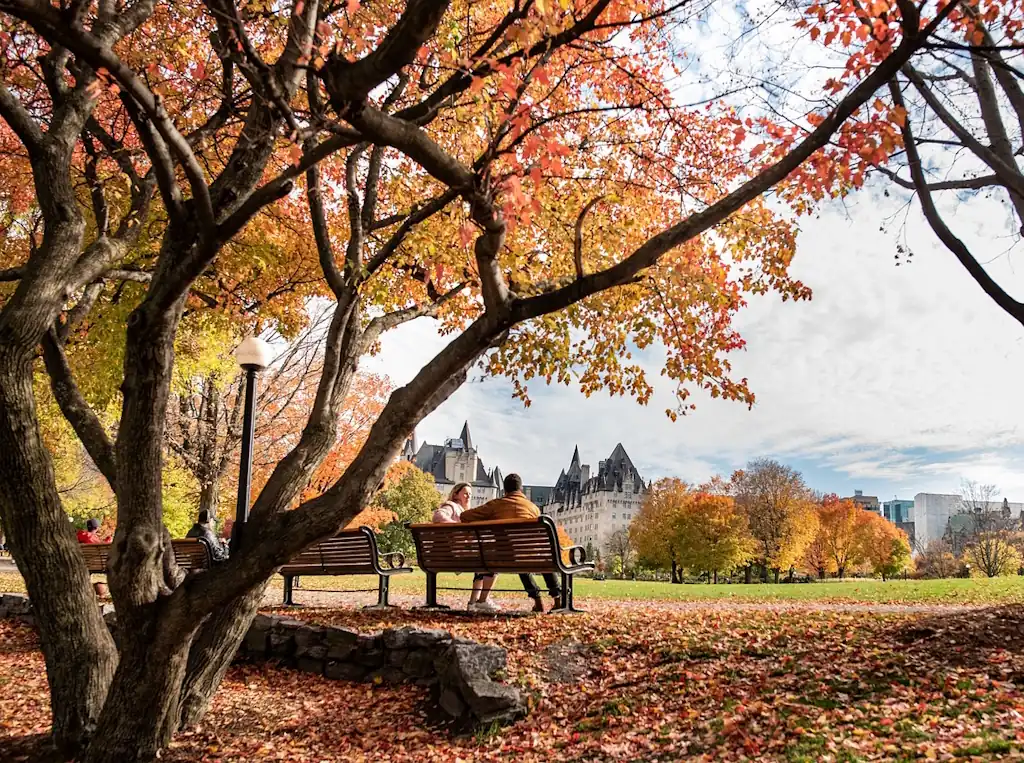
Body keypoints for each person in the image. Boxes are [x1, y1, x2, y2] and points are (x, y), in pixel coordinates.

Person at [461, 473, 562, 613]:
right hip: (530, 556)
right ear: (520, 489)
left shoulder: (495, 505)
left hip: (503, 556)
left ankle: (538, 599)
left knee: (516, 554)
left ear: (505, 490)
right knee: (536, 556)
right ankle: (558, 598)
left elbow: (465, 516)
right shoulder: (533, 508)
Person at [434, 483, 499, 612]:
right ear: (455, 494)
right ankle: (482, 600)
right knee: (492, 560)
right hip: (454, 554)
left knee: (482, 562)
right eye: (465, 493)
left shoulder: (464, 511)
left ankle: (473, 603)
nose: (468, 496)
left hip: (455, 553)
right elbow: (438, 516)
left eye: (470, 494)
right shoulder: (451, 505)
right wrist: (459, 527)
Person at [76, 519, 109, 598]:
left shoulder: (79, 536)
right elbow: (103, 546)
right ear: (97, 528)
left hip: (83, 563)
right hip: (97, 564)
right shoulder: (93, 538)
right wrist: (108, 540)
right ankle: (102, 593)